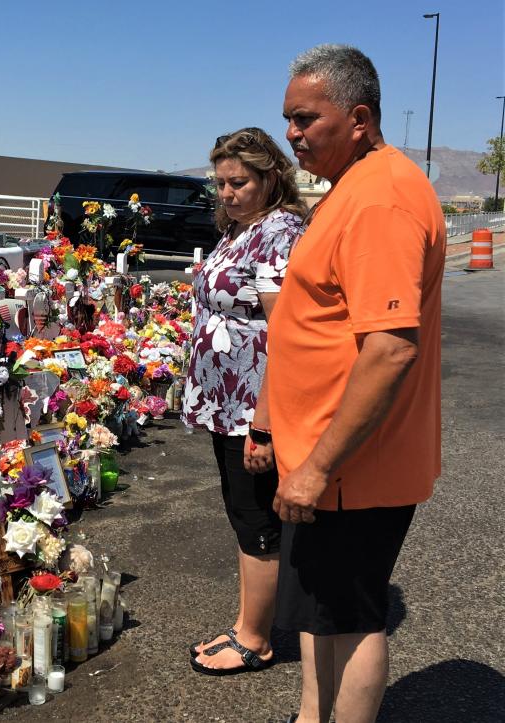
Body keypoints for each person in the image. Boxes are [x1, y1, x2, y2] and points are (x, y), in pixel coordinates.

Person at [268, 45, 445, 723]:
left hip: (349, 467)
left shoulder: (380, 198)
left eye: (306, 118)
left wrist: (317, 465)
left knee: (353, 615)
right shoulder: (356, 188)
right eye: (288, 119)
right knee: (325, 612)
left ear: (360, 117)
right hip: (328, 460)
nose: (292, 133)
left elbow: (390, 348)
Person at [182, 127, 305, 675]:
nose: (226, 193)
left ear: (269, 177)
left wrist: (265, 424)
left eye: (238, 182)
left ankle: (255, 638)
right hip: (225, 403)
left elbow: (285, 332)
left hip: (251, 405)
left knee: (256, 518)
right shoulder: (242, 230)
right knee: (242, 511)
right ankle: (245, 624)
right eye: (221, 184)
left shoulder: (278, 233)